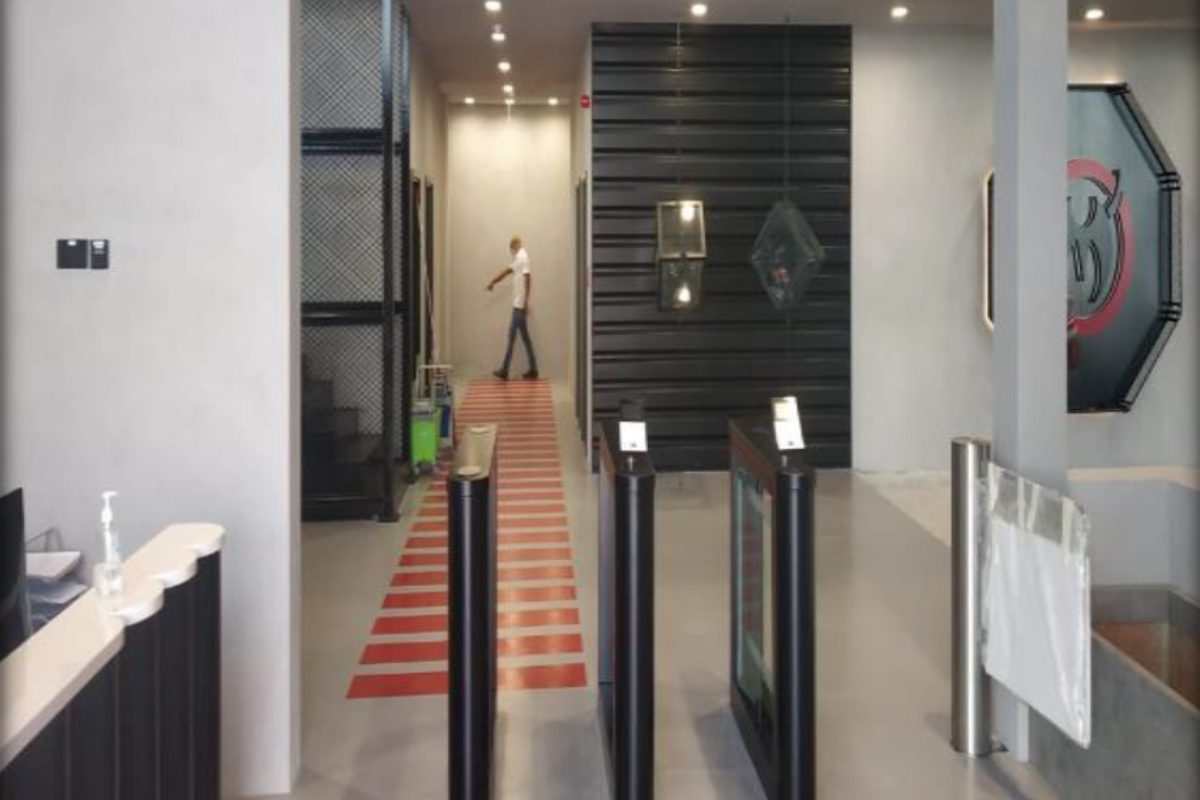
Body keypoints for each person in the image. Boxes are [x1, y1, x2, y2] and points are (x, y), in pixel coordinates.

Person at [486, 235, 539, 380]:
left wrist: (525, 301)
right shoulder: (520, 258)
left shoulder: (522, 257)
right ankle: (533, 369)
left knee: (511, 337)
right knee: (525, 338)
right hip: (519, 304)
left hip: (519, 306)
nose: (512, 250)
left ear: (515, 245)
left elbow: (528, 277)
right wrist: (494, 281)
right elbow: (508, 271)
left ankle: (504, 370)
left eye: (512, 247)